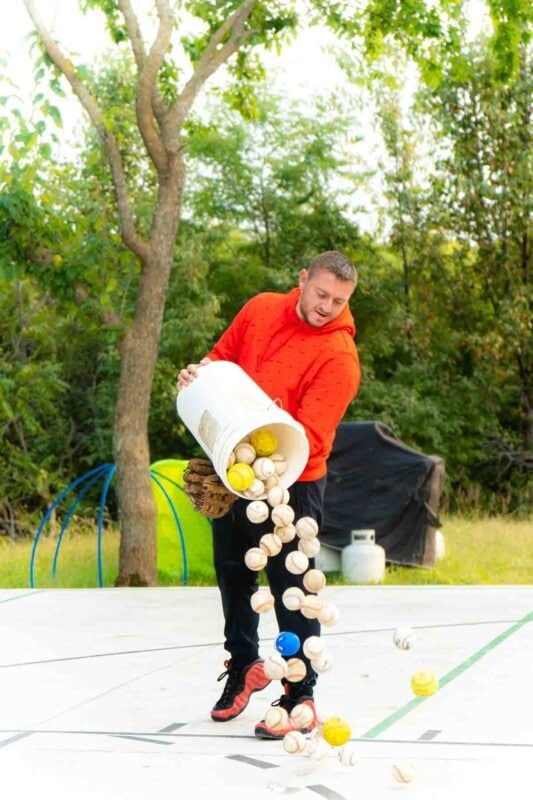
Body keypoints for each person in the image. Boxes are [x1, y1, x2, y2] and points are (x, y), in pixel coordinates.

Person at [177, 250, 360, 739]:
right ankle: (243, 666)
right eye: (321, 294)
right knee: (233, 575)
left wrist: (259, 468)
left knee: (292, 591)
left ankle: (300, 695)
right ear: (302, 280)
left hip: (295, 484)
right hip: (234, 469)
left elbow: (311, 439)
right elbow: (221, 360)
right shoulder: (260, 309)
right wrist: (197, 376)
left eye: (339, 301)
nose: (327, 307)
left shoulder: (340, 358)